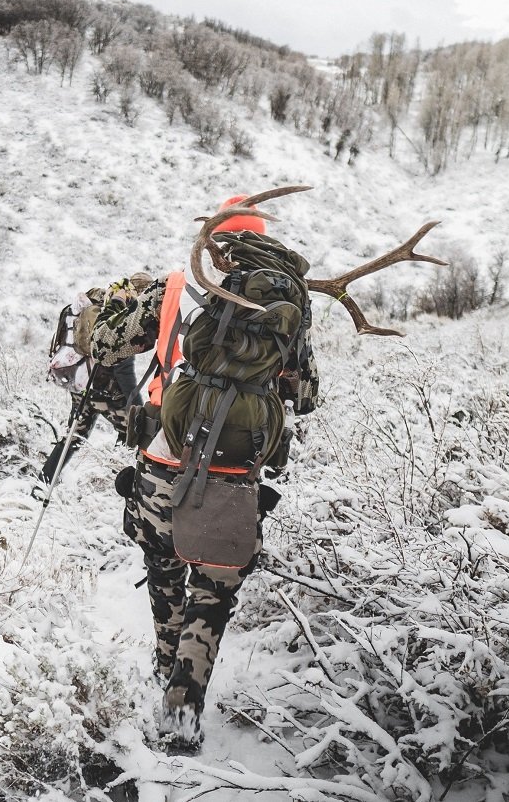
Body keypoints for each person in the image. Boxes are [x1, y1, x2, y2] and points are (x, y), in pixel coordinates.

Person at [90, 194, 320, 752]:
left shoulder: (174, 290)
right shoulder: (286, 307)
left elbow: (102, 346)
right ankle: (184, 705)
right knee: (212, 595)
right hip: (233, 479)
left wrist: (119, 299)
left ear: (215, 245)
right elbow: (306, 395)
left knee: (165, 572)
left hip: (161, 467)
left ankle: (161, 684)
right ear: (262, 240)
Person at [38, 276, 151, 486]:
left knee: (73, 436)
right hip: (107, 394)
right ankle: (120, 480)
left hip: (82, 385)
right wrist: (137, 405)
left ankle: (43, 482)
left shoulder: (103, 302)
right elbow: (124, 370)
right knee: (136, 434)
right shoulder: (126, 315)